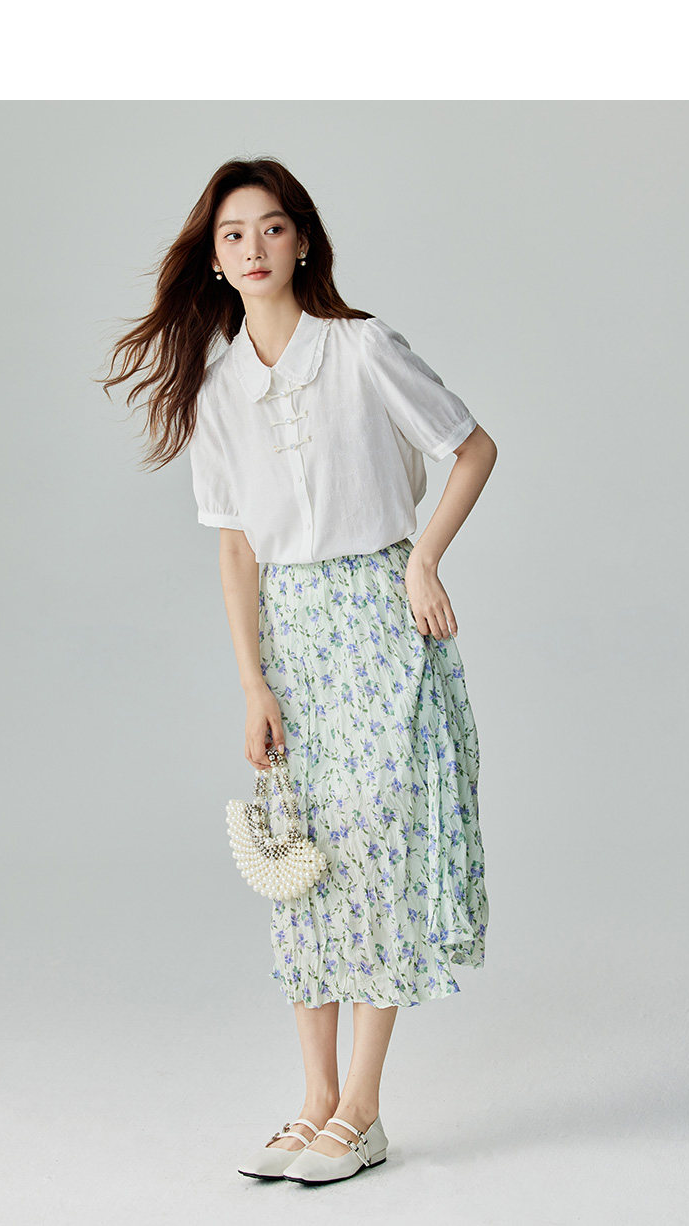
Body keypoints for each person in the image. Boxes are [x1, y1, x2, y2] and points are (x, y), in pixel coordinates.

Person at [101, 155, 497, 1186]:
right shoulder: (220, 389)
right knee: (304, 859)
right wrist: (252, 683)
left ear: (303, 241)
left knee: (378, 851)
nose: (254, 248)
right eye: (233, 235)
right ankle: (315, 1102)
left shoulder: (360, 348)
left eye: (272, 228)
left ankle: (363, 1110)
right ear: (214, 259)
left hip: (379, 615)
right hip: (291, 636)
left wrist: (422, 559)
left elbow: (471, 448)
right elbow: (236, 548)